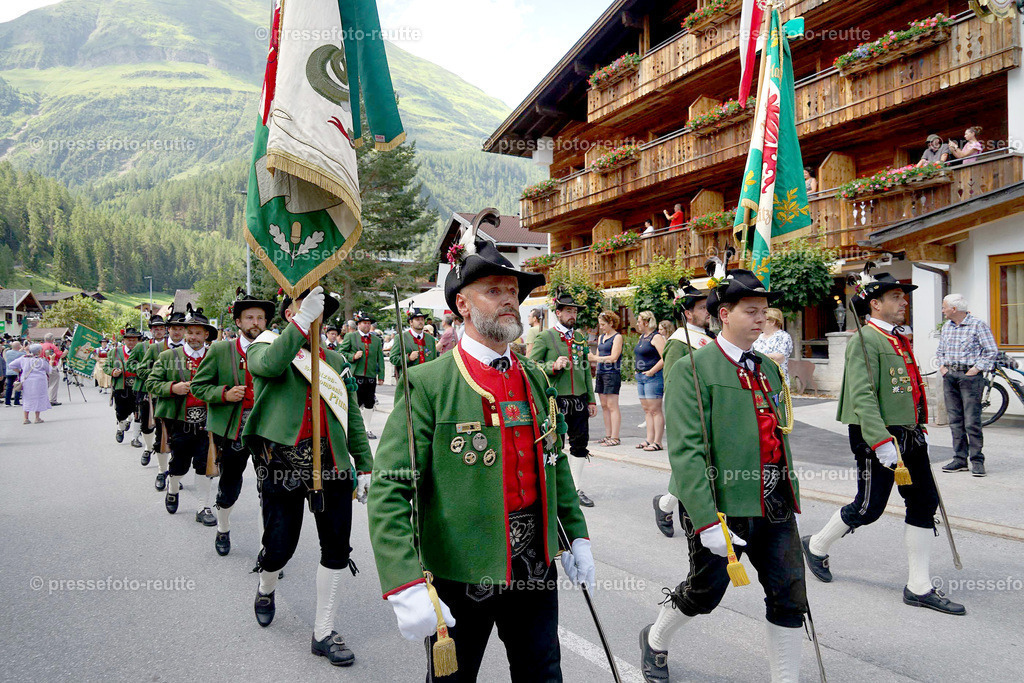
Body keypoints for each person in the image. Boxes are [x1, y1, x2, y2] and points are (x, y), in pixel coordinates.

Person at [367, 208, 592, 682]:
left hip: (534, 562)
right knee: (453, 678)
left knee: (543, 674)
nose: (509, 300)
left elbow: (555, 464)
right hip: (460, 566)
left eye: (513, 292)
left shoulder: (534, 379)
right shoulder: (428, 384)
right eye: (494, 291)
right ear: (463, 306)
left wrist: (575, 534)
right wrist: (403, 581)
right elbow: (390, 489)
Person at [641, 267, 807, 683]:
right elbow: (687, 451)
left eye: (764, 311)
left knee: (789, 595)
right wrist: (705, 519)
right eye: (751, 311)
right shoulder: (694, 368)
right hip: (721, 504)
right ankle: (656, 638)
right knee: (704, 594)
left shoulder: (766, 368)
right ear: (724, 314)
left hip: (773, 502)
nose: (760, 319)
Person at [802, 272, 965, 616]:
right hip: (875, 434)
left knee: (924, 502)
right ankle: (816, 545)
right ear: (875, 304)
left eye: (903, 297)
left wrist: (915, 422)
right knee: (869, 508)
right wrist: (881, 442)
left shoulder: (897, 338)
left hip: (909, 432)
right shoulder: (866, 339)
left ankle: (918, 586)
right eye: (895, 297)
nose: (903, 301)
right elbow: (863, 395)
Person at [244, 286, 372, 667]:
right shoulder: (265, 346)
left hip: (331, 464)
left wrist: (363, 464)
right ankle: (266, 586)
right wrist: (300, 322)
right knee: (280, 546)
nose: (316, 315)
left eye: (320, 311)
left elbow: (350, 415)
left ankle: (323, 632)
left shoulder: (334, 359)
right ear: (289, 315)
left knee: (336, 548)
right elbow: (268, 367)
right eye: (307, 309)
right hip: (281, 463)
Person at [191, 293, 275, 556]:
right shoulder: (220, 350)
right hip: (232, 430)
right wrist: (224, 394)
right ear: (238, 321)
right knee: (229, 486)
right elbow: (198, 387)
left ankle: (268, 549)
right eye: (249, 317)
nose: (255, 322)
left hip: (268, 431)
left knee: (270, 490)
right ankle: (223, 528)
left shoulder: (277, 348)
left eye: (260, 318)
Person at [146, 307, 218, 524]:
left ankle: (203, 507)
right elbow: (151, 383)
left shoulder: (214, 356)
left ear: (206, 335)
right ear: (184, 333)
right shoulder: (169, 356)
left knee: (205, 465)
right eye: (190, 332)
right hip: (179, 422)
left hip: (208, 423)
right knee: (179, 465)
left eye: (198, 333)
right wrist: (172, 388)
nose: (193, 337)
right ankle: (173, 487)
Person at [653, 280, 714, 537]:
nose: (707, 311)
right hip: (690, 413)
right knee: (695, 464)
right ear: (688, 313)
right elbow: (672, 384)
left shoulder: (709, 337)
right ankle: (693, 517)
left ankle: (665, 503)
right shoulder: (678, 342)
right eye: (702, 308)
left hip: (712, 410)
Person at [529, 291, 597, 507]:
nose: (572, 315)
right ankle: (555, 488)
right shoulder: (545, 337)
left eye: (575, 311)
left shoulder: (580, 337)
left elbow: (585, 371)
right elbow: (530, 365)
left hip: (579, 400)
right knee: (555, 443)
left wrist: (591, 399)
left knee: (580, 444)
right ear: (558, 312)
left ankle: (576, 489)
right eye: (568, 310)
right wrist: (552, 366)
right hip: (556, 401)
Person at [937, 293, 998, 477]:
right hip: (950, 376)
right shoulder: (947, 327)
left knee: (972, 421)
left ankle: (977, 461)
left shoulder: (977, 325)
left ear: (954, 309)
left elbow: (991, 350)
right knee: (955, 420)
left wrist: (976, 369)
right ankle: (959, 459)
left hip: (970, 377)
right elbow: (940, 350)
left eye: (944, 306)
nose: (942, 310)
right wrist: (942, 366)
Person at [139, 310, 187, 490]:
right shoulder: (155, 348)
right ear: (169, 329)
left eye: (181, 328)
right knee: (162, 437)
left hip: (185, 402)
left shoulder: (190, 348)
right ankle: (161, 471)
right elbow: (142, 370)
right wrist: (160, 379)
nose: (177, 332)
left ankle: (175, 474)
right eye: (174, 328)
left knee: (180, 441)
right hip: (162, 400)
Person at [340, 310, 385, 439]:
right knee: (356, 402)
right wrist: (353, 356)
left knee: (370, 403)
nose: (366, 325)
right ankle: (355, 429)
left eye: (368, 323)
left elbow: (380, 358)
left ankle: (367, 428)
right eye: (364, 323)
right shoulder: (350, 337)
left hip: (370, 375)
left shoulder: (376, 340)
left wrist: (381, 376)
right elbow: (341, 352)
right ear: (358, 324)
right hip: (356, 374)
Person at [129, 315, 168, 454]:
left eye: (161, 328)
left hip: (165, 389)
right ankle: (147, 446)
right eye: (155, 328)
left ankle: (161, 450)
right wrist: (147, 372)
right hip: (145, 388)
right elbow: (131, 364)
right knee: (145, 420)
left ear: (165, 330)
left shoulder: (170, 345)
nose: (159, 331)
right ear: (151, 330)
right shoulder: (142, 346)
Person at [105, 328, 147, 444]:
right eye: (129, 340)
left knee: (138, 412)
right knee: (121, 412)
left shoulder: (143, 352)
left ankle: (135, 438)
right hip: (121, 387)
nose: (132, 343)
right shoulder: (114, 352)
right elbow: (106, 367)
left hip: (138, 386)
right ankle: (120, 428)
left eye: (134, 340)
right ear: (124, 340)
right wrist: (113, 371)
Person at [589, 310, 623, 446]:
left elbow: (614, 357)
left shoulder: (617, 337)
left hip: (612, 373)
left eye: (603, 324)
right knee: (604, 405)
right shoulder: (602, 337)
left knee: (612, 405)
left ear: (611, 323)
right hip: (601, 373)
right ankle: (608, 434)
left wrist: (595, 358)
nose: (601, 327)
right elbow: (597, 356)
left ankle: (615, 437)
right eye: (600, 324)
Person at [634, 310, 666, 452]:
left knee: (655, 410)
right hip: (641, 377)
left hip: (653, 377)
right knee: (647, 410)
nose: (637, 324)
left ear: (646, 322)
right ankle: (649, 439)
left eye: (639, 321)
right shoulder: (642, 337)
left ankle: (658, 441)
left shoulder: (656, 337)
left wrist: (652, 371)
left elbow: (664, 357)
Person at [389, 307, 437, 381]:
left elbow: (434, 360)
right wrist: (409, 358)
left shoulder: (430, 339)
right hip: (409, 380)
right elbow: (393, 359)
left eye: (422, 319)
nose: (420, 322)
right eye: (417, 320)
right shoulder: (401, 338)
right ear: (411, 322)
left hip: (427, 380)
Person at [9, 344, 53, 423]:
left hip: (27, 381)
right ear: (39, 351)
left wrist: (19, 371)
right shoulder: (41, 360)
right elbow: (49, 370)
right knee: (38, 398)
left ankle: (26, 418)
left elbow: (11, 365)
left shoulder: (23, 359)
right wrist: (51, 361)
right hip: (40, 381)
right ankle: (37, 417)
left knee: (27, 398)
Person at [753, 308, 793, 385]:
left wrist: (757, 357)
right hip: (758, 381)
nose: (759, 322)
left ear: (772, 322)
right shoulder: (758, 337)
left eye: (764, 319)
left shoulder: (783, 336)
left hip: (775, 381)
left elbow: (779, 358)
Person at [40, 333, 63, 406]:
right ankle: (52, 399)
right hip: (51, 365)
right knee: (53, 383)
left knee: (43, 383)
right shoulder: (52, 346)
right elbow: (60, 355)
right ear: (52, 339)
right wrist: (66, 351)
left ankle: (42, 399)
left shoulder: (40, 346)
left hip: (41, 365)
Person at [5, 340, 24, 406]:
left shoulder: (7, 352)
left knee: (9, 387)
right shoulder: (21, 354)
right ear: (18, 346)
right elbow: (25, 354)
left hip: (8, 371)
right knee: (17, 386)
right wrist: (23, 347)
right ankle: (16, 401)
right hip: (16, 371)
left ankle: (7, 401)